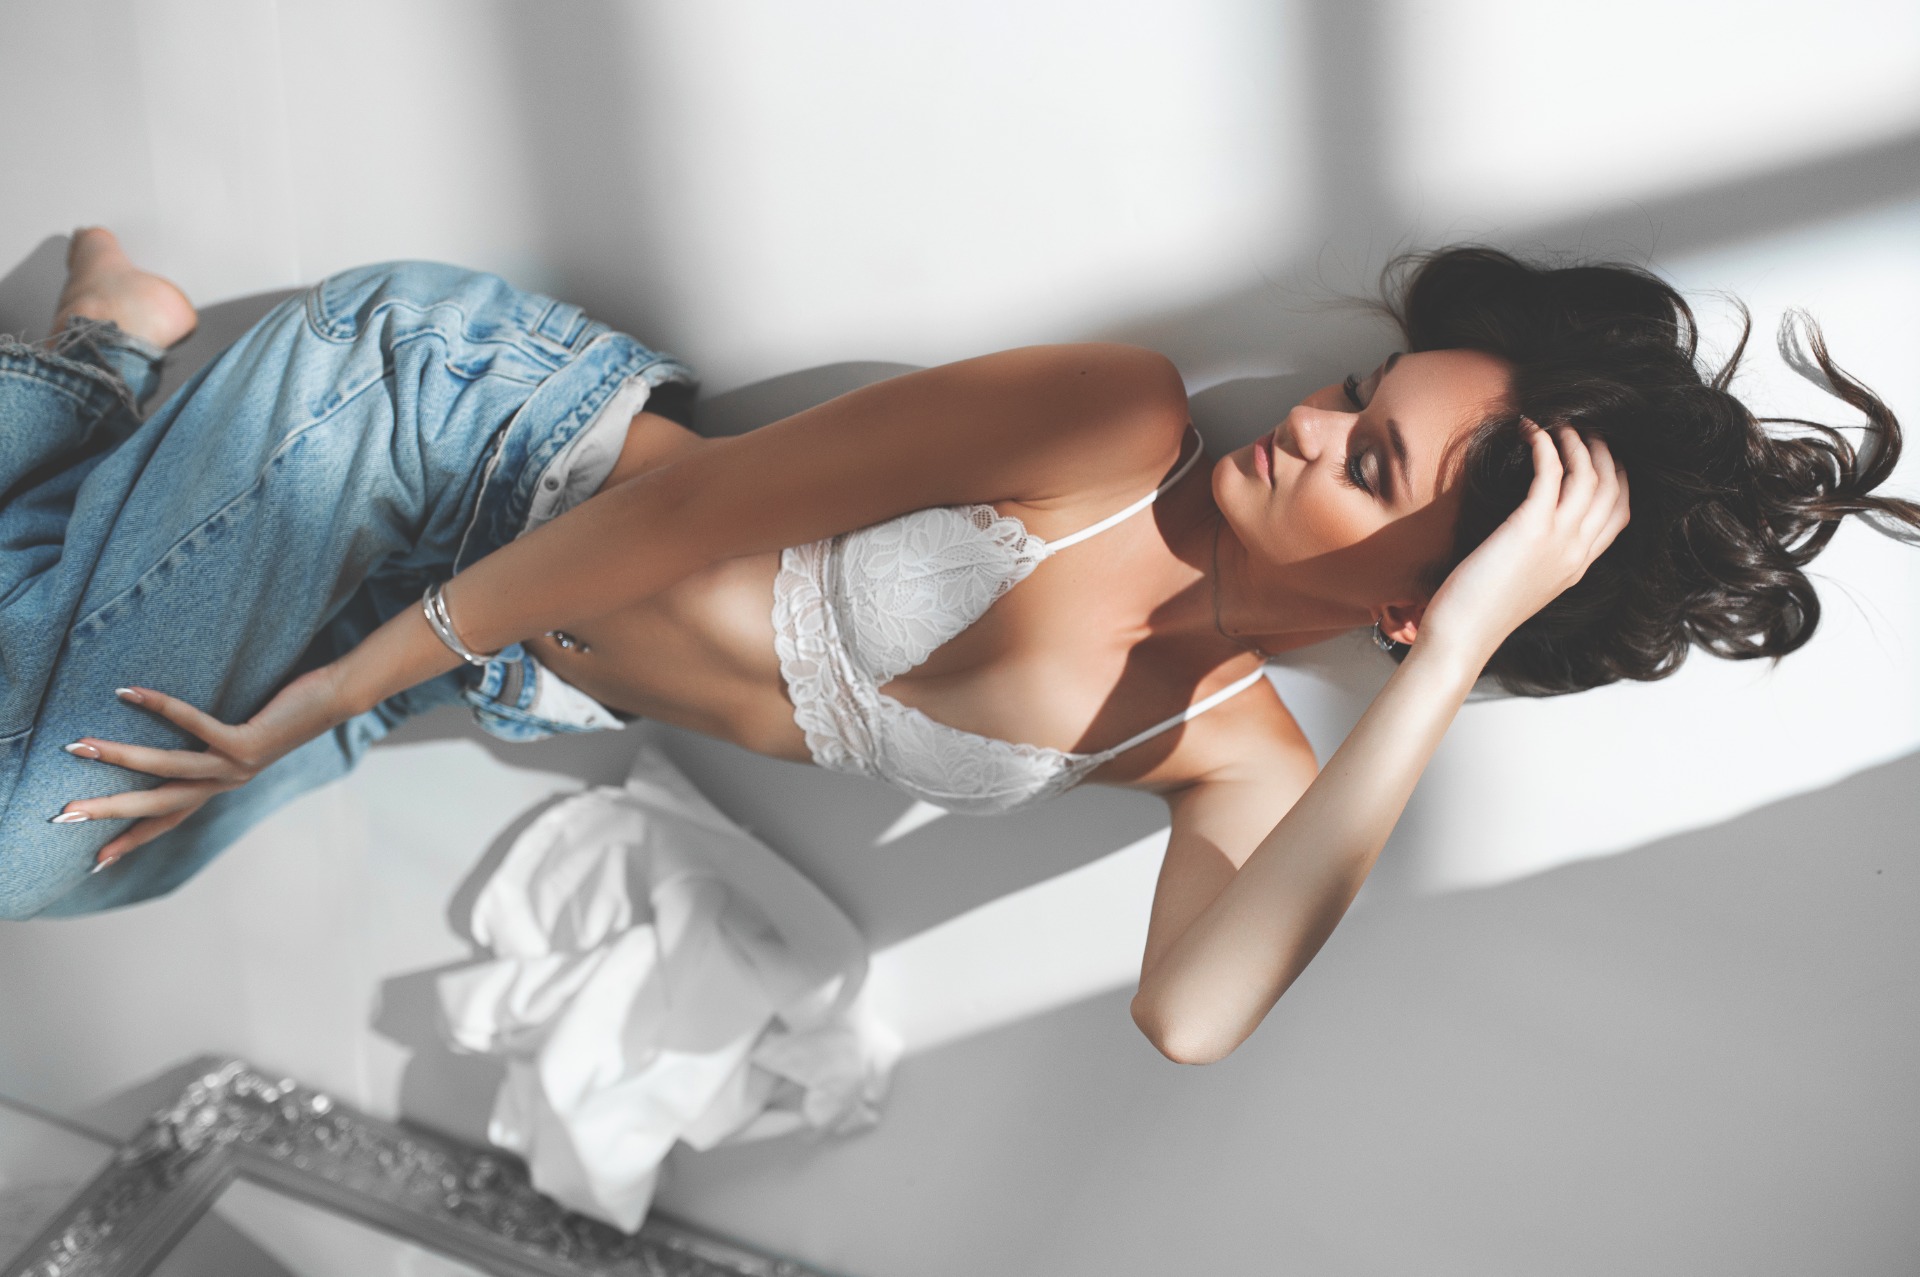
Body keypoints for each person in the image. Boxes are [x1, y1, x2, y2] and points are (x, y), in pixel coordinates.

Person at [3, 228, 1912, 1064]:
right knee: (37, 833)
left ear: (1423, 600)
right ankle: (101, 367)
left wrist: (1445, 668)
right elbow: (677, 512)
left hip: (488, 655)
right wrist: (317, 706)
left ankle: (106, 365)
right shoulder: (1111, 420)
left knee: (85, 794)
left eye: (1372, 461)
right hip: (457, 433)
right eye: (1357, 391)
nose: (1309, 423)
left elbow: (1193, 1017)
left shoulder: (1229, 750)